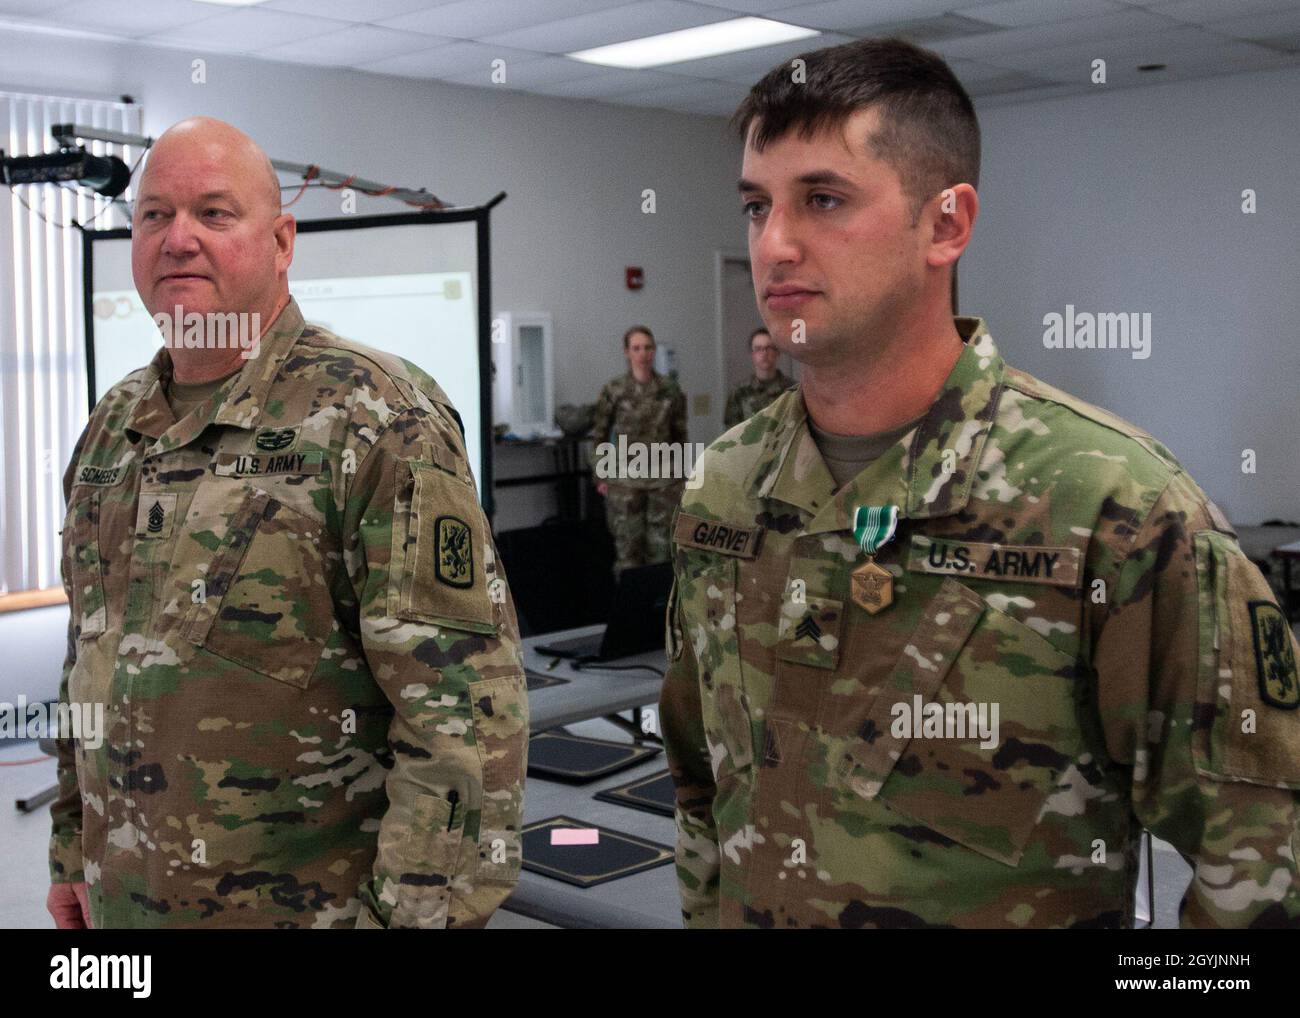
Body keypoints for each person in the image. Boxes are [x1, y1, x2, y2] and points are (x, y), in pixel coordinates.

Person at [659, 38, 1300, 929]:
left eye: (824, 199)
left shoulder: (1111, 508)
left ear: (946, 225)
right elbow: (700, 784)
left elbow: (1267, 858)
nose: (776, 244)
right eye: (756, 205)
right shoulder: (725, 486)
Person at [48, 117, 527, 929]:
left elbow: (463, 717)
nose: (178, 239)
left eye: (214, 213)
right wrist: (71, 848)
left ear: (281, 241)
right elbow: (87, 659)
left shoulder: (375, 415)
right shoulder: (115, 426)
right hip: (124, 907)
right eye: (155, 215)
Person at [591, 326, 688, 574]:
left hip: (663, 483)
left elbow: (679, 435)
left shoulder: (670, 389)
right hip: (625, 483)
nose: (643, 353)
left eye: (647, 347)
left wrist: (683, 475)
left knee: (662, 554)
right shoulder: (614, 390)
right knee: (628, 555)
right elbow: (600, 435)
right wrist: (600, 474)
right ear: (627, 353)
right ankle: (629, 611)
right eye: (636, 348)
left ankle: (657, 611)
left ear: (654, 351)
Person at [723, 327, 792, 428]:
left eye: (769, 348)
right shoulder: (739, 392)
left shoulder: (792, 390)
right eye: (758, 349)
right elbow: (731, 432)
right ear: (752, 354)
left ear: (777, 352)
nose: (764, 353)